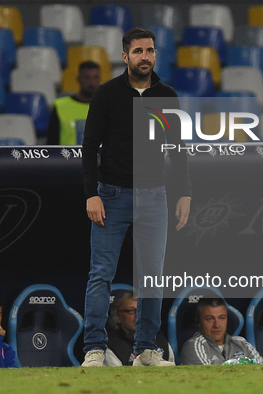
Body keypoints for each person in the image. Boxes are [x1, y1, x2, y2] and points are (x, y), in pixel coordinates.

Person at [81, 27, 191, 367]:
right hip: (111, 196)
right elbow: (88, 150)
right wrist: (91, 195)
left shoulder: (168, 96)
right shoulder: (106, 94)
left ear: (156, 55)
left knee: (153, 277)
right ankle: (94, 350)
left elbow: (178, 150)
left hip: (155, 196)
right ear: (125, 56)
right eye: (139, 51)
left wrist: (184, 193)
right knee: (101, 274)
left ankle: (146, 350)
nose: (146, 56)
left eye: (151, 50)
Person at [180, 298, 263, 365]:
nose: (217, 325)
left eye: (222, 318)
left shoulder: (241, 343)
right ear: (198, 321)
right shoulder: (193, 346)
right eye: (210, 319)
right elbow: (210, 380)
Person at [105, 290, 174, 366]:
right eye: (130, 311)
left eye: (141, 310)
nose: (138, 315)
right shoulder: (112, 346)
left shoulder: (159, 338)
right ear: (117, 316)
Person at [47, 61, 101, 145]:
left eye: (96, 77)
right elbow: (52, 141)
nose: (92, 82)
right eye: (87, 77)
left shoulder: (109, 106)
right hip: (67, 157)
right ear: (78, 79)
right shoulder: (61, 106)